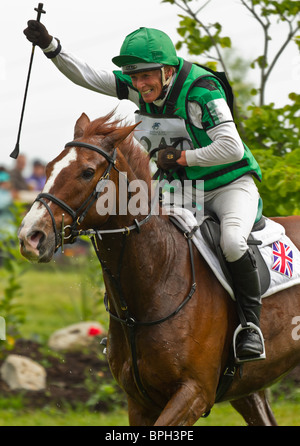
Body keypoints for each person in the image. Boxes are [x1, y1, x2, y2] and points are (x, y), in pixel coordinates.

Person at [23, 22, 264, 361]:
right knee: (143, 235)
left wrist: (181, 157)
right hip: (183, 189)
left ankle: (250, 327)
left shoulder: (203, 90)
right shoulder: (142, 84)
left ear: (168, 70)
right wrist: (51, 47)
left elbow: (232, 148)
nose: (139, 85)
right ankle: (128, 328)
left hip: (230, 185)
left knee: (232, 242)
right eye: (134, 78)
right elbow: (90, 76)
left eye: (146, 77)